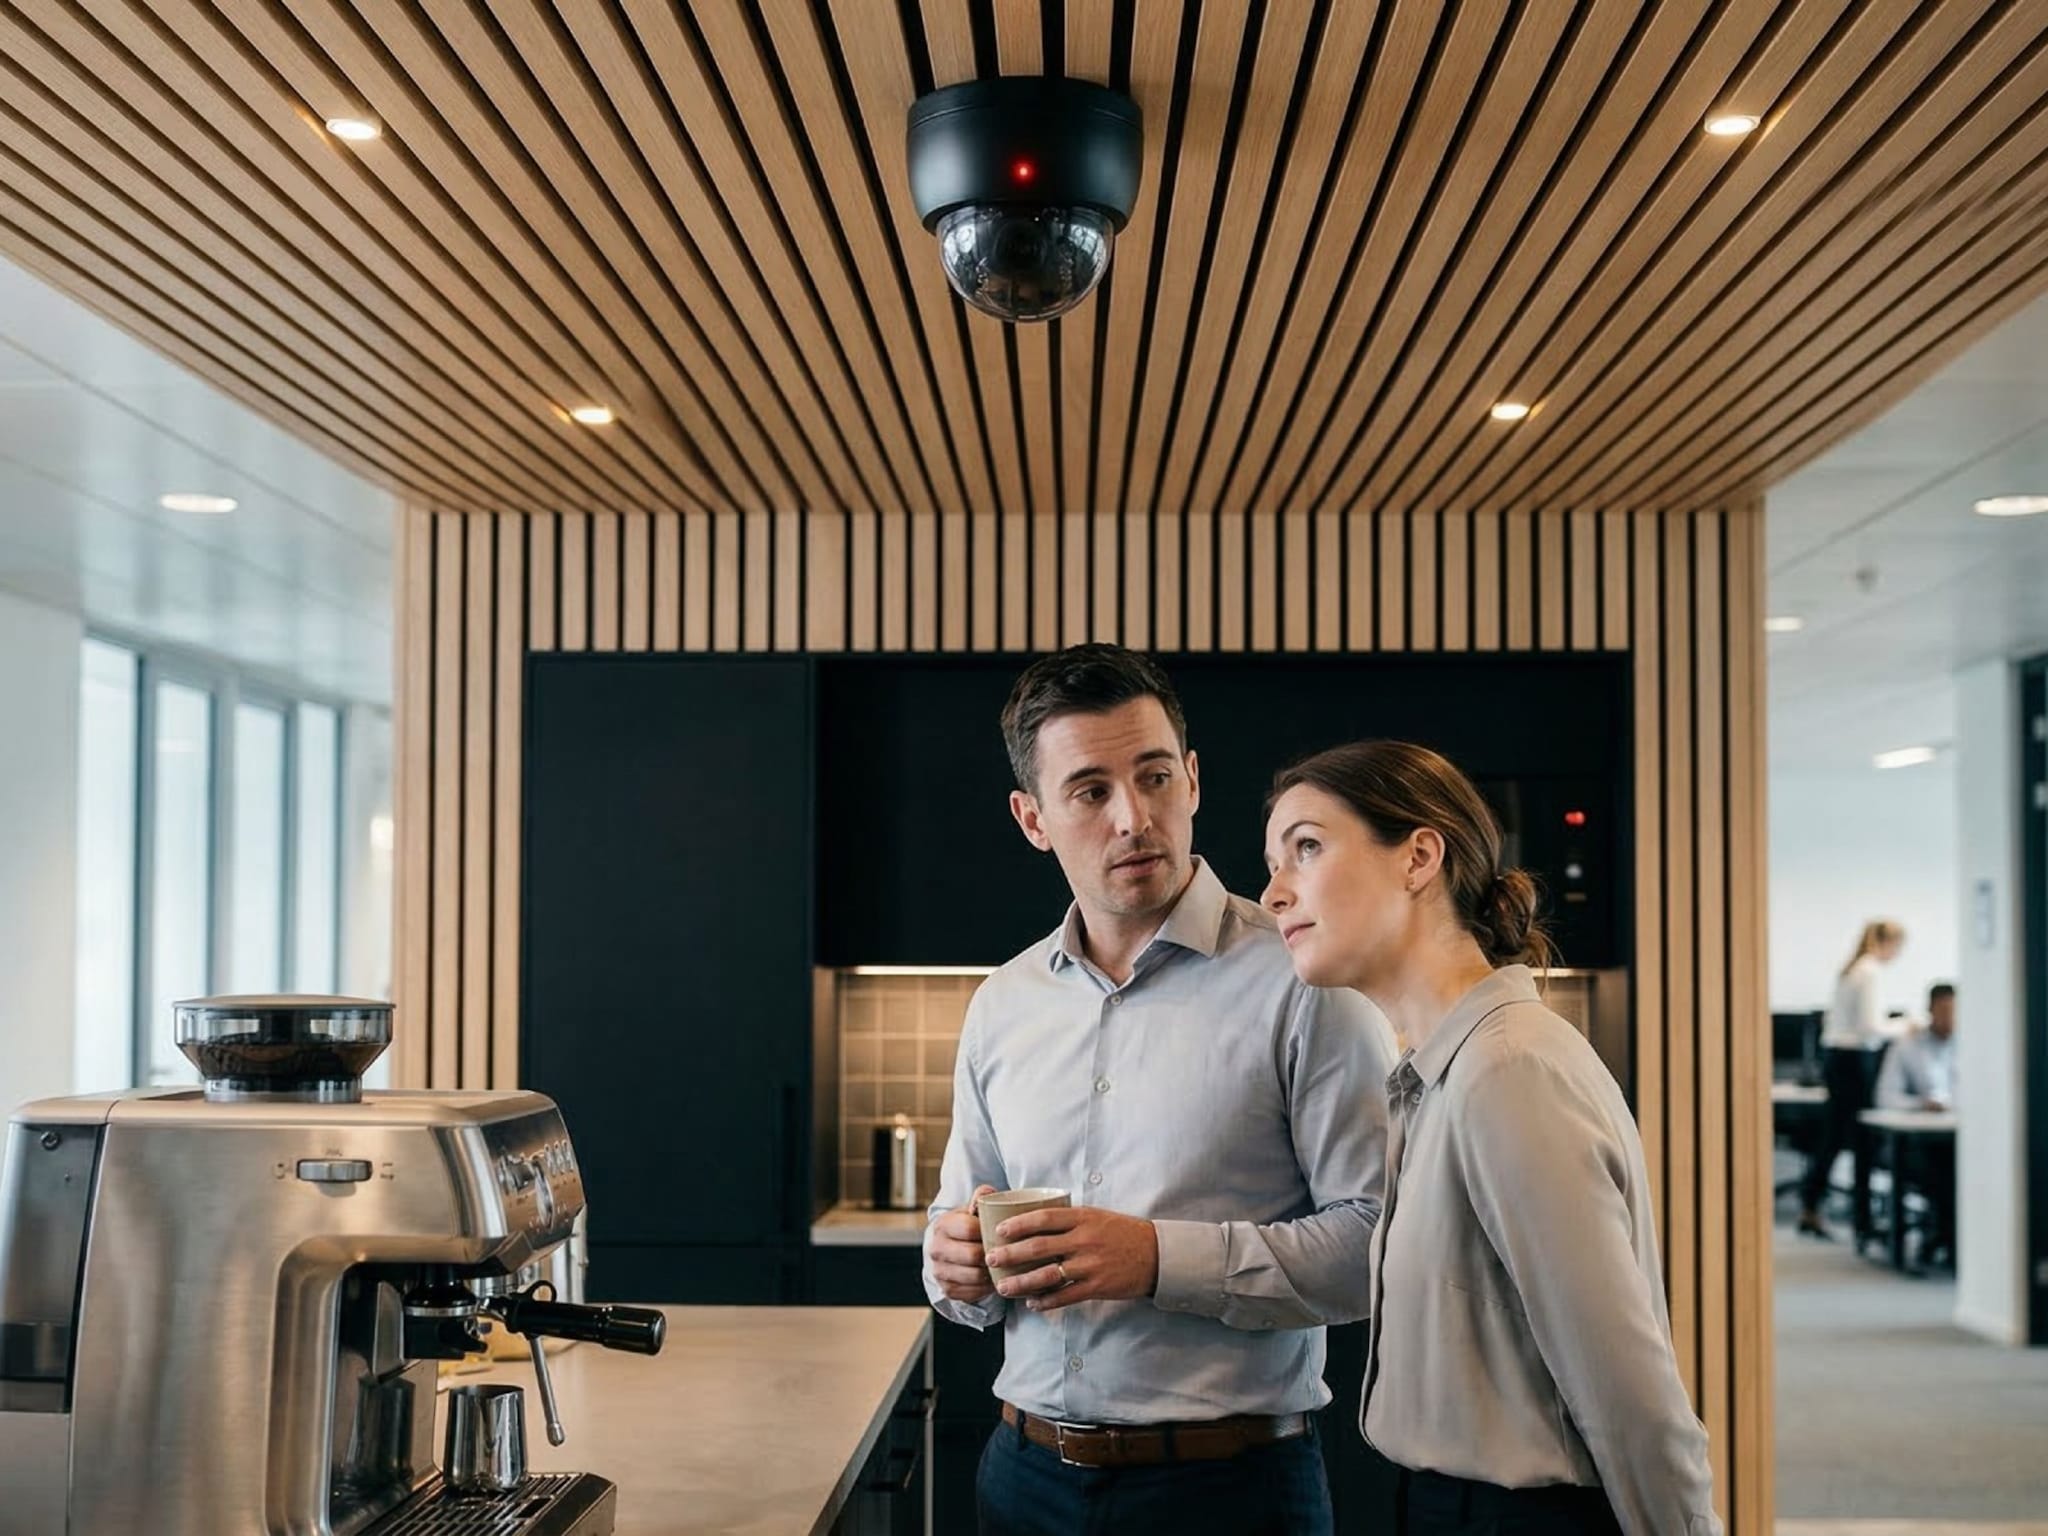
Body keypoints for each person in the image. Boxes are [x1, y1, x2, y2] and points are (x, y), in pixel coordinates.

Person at [922, 645, 1398, 1536]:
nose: (1133, 818)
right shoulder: (1003, 1003)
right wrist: (950, 1264)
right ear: (1033, 818)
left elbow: (1377, 1249)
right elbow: (961, 1237)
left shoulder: (1308, 982)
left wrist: (1153, 1259)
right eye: (1090, 790)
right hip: (1019, 1480)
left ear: (1192, 778)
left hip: (1232, 1491)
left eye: (1152, 778)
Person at [1260, 740, 1721, 1536]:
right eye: (1275, 860)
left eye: (1307, 846)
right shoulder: (1444, 1071)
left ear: (1418, 858)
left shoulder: (1506, 1071)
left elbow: (1630, 1393)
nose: (1274, 892)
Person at [1798, 920, 1907, 1242]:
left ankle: (1813, 1203)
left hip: (1837, 1057)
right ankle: (1863, 1219)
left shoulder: (1852, 969)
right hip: (1854, 1061)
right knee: (1862, 1140)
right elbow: (1870, 1027)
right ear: (1889, 943)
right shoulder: (1869, 971)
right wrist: (1907, 1026)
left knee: (1834, 1138)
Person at [1875, 982, 1957, 1265]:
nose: (1951, 1018)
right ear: (1930, 1010)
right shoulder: (1907, 1047)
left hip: (1962, 1139)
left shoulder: (1972, 1046)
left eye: (1956, 1011)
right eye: (1945, 1010)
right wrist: (1921, 1104)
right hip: (1916, 1144)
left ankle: (1953, 1239)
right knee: (1944, 1172)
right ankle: (1946, 1236)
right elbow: (1885, 1096)